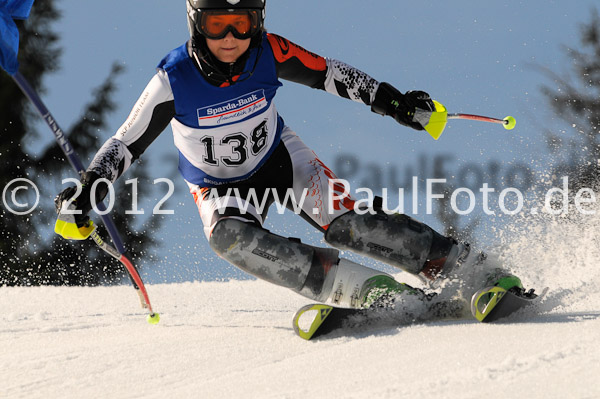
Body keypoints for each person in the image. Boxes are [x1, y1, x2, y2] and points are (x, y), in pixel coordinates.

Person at [55, 0, 524, 314]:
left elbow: (332, 74)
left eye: (245, 23)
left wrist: (395, 103)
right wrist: (87, 189)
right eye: (219, 23)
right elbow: (125, 144)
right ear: (196, 23)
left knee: (347, 224)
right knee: (229, 240)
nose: (233, 37)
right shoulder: (172, 80)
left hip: (282, 160)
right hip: (218, 186)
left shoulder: (268, 51)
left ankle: (467, 268)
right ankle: (366, 292)